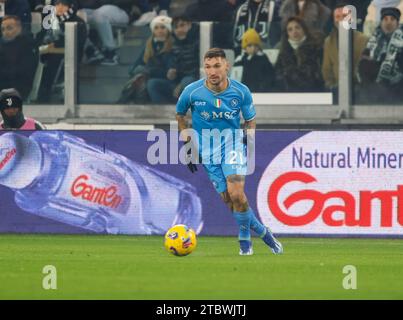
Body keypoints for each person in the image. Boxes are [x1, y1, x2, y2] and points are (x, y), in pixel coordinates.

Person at [175, 48, 283, 256]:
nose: (212, 71)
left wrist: (248, 141)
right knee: (229, 200)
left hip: (232, 147)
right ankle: (263, 232)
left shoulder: (241, 91)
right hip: (207, 152)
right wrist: (188, 145)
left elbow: (250, 120)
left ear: (227, 66)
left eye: (217, 66)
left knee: (237, 195)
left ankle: (244, 241)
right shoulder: (192, 91)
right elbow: (180, 115)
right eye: (208, 67)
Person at [36, 0, 87, 103]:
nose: (59, 7)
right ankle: (41, 99)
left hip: (70, 57)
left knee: (53, 66)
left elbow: (79, 41)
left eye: (63, 5)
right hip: (48, 56)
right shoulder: (48, 21)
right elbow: (40, 37)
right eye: (57, 5)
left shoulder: (78, 21)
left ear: (70, 7)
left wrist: (57, 44)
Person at [119, 15, 174, 104]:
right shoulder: (150, 45)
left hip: (167, 81)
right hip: (149, 76)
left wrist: (148, 72)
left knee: (148, 81)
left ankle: (123, 103)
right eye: (156, 28)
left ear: (168, 29)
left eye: (163, 27)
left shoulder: (173, 45)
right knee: (138, 77)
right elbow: (138, 62)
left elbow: (169, 73)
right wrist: (135, 72)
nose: (159, 30)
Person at [146, 15, 199, 103]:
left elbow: (200, 69)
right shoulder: (173, 45)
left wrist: (181, 84)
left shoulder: (199, 42)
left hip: (194, 81)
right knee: (153, 83)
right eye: (176, 27)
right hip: (177, 82)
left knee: (187, 81)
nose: (179, 30)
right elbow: (172, 65)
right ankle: (162, 112)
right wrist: (171, 73)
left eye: (182, 25)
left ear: (189, 25)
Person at [358, 7, 403, 103]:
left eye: (392, 19)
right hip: (375, 91)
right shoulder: (372, 42)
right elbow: (363, 68)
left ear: (397, 23)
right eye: (385, 19)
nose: (388, 23)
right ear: (381, 22)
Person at [322, 2, 368, 91]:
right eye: (337, 17)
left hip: (359, 90)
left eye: (344, 16)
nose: (341, 20)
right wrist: (332, 85)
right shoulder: (328, 41)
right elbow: (326, 69)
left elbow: (365, 68)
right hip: (336, 89)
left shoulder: (363, 40)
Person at [276, 16, 324, 92]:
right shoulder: (283, 53)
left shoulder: (315, 49)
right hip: (288, 95)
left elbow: (319, 74)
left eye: (297, 27)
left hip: (313, 94)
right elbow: (278, 76)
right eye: (290, 30)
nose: (294, 31)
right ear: (287, 33)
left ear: (304, 29)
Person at [78, 0, 132, 66]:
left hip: (121, 11)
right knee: (80, 13)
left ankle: (111, 53)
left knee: (99, 13)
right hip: (99, 10)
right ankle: (91, 50)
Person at [0, 15, 38, 99]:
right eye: (3, 29)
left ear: (19, 28)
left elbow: (24, 71)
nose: (5, 32)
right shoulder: (2, 45)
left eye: (9, 28)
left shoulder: (28, 44)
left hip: (16, 88)